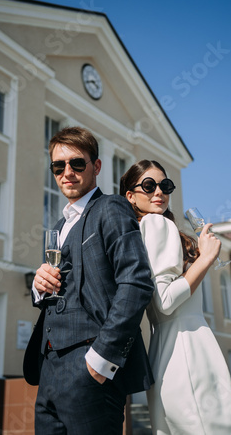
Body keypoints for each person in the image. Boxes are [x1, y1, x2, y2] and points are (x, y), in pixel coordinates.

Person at [23, 127, 154, 435]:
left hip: (90, 364)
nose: (67, 172)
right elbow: (62, 292)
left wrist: (101, 359)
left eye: (77, 164)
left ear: (96, 167)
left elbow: (136, 282)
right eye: (58, 166)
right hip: (49, 367)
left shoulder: (111, 208)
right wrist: (39, 286)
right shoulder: (58, 226)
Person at [120, 159, 231, 435]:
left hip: (164, 352)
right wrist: (207, 258)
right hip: (189, 349)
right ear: (130, 195)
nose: (159, 192)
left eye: (165, 185)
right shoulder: (157, 225)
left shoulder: (138, 231)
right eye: (149, 185)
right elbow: (164, 301)